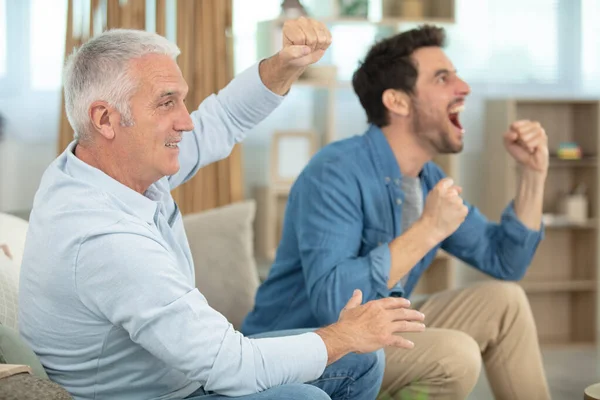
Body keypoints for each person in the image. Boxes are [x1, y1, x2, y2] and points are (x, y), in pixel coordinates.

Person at [18, 19, 428, 400]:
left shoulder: (95, 167)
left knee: (361, 360)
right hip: (158, 394)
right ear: (105, 119)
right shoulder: (105, 240)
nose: (186, 121)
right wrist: (343, 335)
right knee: (306, 394)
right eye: (166, 103)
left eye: (182, 101)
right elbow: (229, 365)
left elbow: (223, 119)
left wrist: (285, 64)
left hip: (181, 372)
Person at [242, 25, 551, 400]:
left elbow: (505, 261)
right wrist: (428, 229)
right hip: (301, 351)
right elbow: (334, 304)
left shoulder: (426, 179)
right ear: (398, 102)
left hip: (373, 334)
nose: (464, 87)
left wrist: (533, 177)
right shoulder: (335, 171)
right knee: (454, 354)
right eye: (443, 78)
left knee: (505, 301)